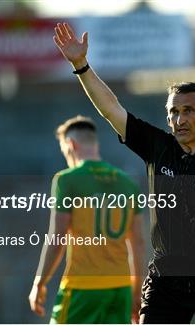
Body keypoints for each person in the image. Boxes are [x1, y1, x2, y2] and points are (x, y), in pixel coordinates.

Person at [53, 22, 195, 323]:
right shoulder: (158, 147)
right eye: (173, 112)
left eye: (188, 111)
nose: (179, 119)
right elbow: (111, 109)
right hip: (166, 278)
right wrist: (81, 65)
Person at [28, 115, 145, 323]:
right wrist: (136, 293)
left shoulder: (67, 179)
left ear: (71, 145)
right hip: (120, 290)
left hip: (83, 288)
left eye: (65, 151)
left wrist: (39, 283)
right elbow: (138, 243)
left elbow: (57, 238)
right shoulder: (128, 184)